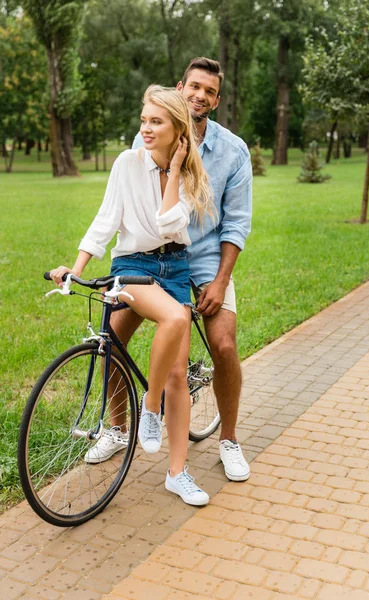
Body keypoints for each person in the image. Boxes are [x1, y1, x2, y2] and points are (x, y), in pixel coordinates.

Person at [89, 57, 252, 482]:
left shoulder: (234, 151)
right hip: (150, 257)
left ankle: (229, 440)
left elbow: (236, 223)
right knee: (113, 339)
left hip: (205, 260)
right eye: (194, 86)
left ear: (216, 101)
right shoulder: (152, 132)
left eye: (209, 91)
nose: (200, 95)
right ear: (181, 88)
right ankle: (118, 428)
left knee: (224, 345)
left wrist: (219, 281)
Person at [49, 84, 213, 506]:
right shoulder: (126, 163)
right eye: (143, 120)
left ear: (178, 130)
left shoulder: (192, 175)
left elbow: (166, 225)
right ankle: (141, 414)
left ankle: (177, 471)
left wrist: (175, 169)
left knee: (179, 374)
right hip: (133, 268)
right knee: (132, 337)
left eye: (156, 122)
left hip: (174, 269)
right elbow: (107, 219)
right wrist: (77, 267)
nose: (145, 128)